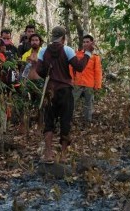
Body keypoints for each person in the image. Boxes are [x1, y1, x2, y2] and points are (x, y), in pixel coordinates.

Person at [36, 26, 93, 163]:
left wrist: (48, 76)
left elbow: (39, 70)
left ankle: (48, 154)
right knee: (65, 120)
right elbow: (79, 67)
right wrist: (88, 54)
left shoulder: (43, 51)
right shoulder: (67, 50)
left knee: (49, 121)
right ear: (63, 38)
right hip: (65, 90)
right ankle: (63, 155)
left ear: (52, 37)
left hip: (50, 91)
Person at [71, 35, 102, 122]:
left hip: (89, 84)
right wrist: (71, 80)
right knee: (71, 102)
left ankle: (87, 122)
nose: (85, 44)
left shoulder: (95, 57)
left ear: (92, 43)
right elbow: (71, 68)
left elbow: (98, 72)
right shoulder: (77, 54)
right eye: (84, 42)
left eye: (87, 42)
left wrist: (97, 85)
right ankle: (68, 120)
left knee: (89, 104)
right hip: (77, 83)